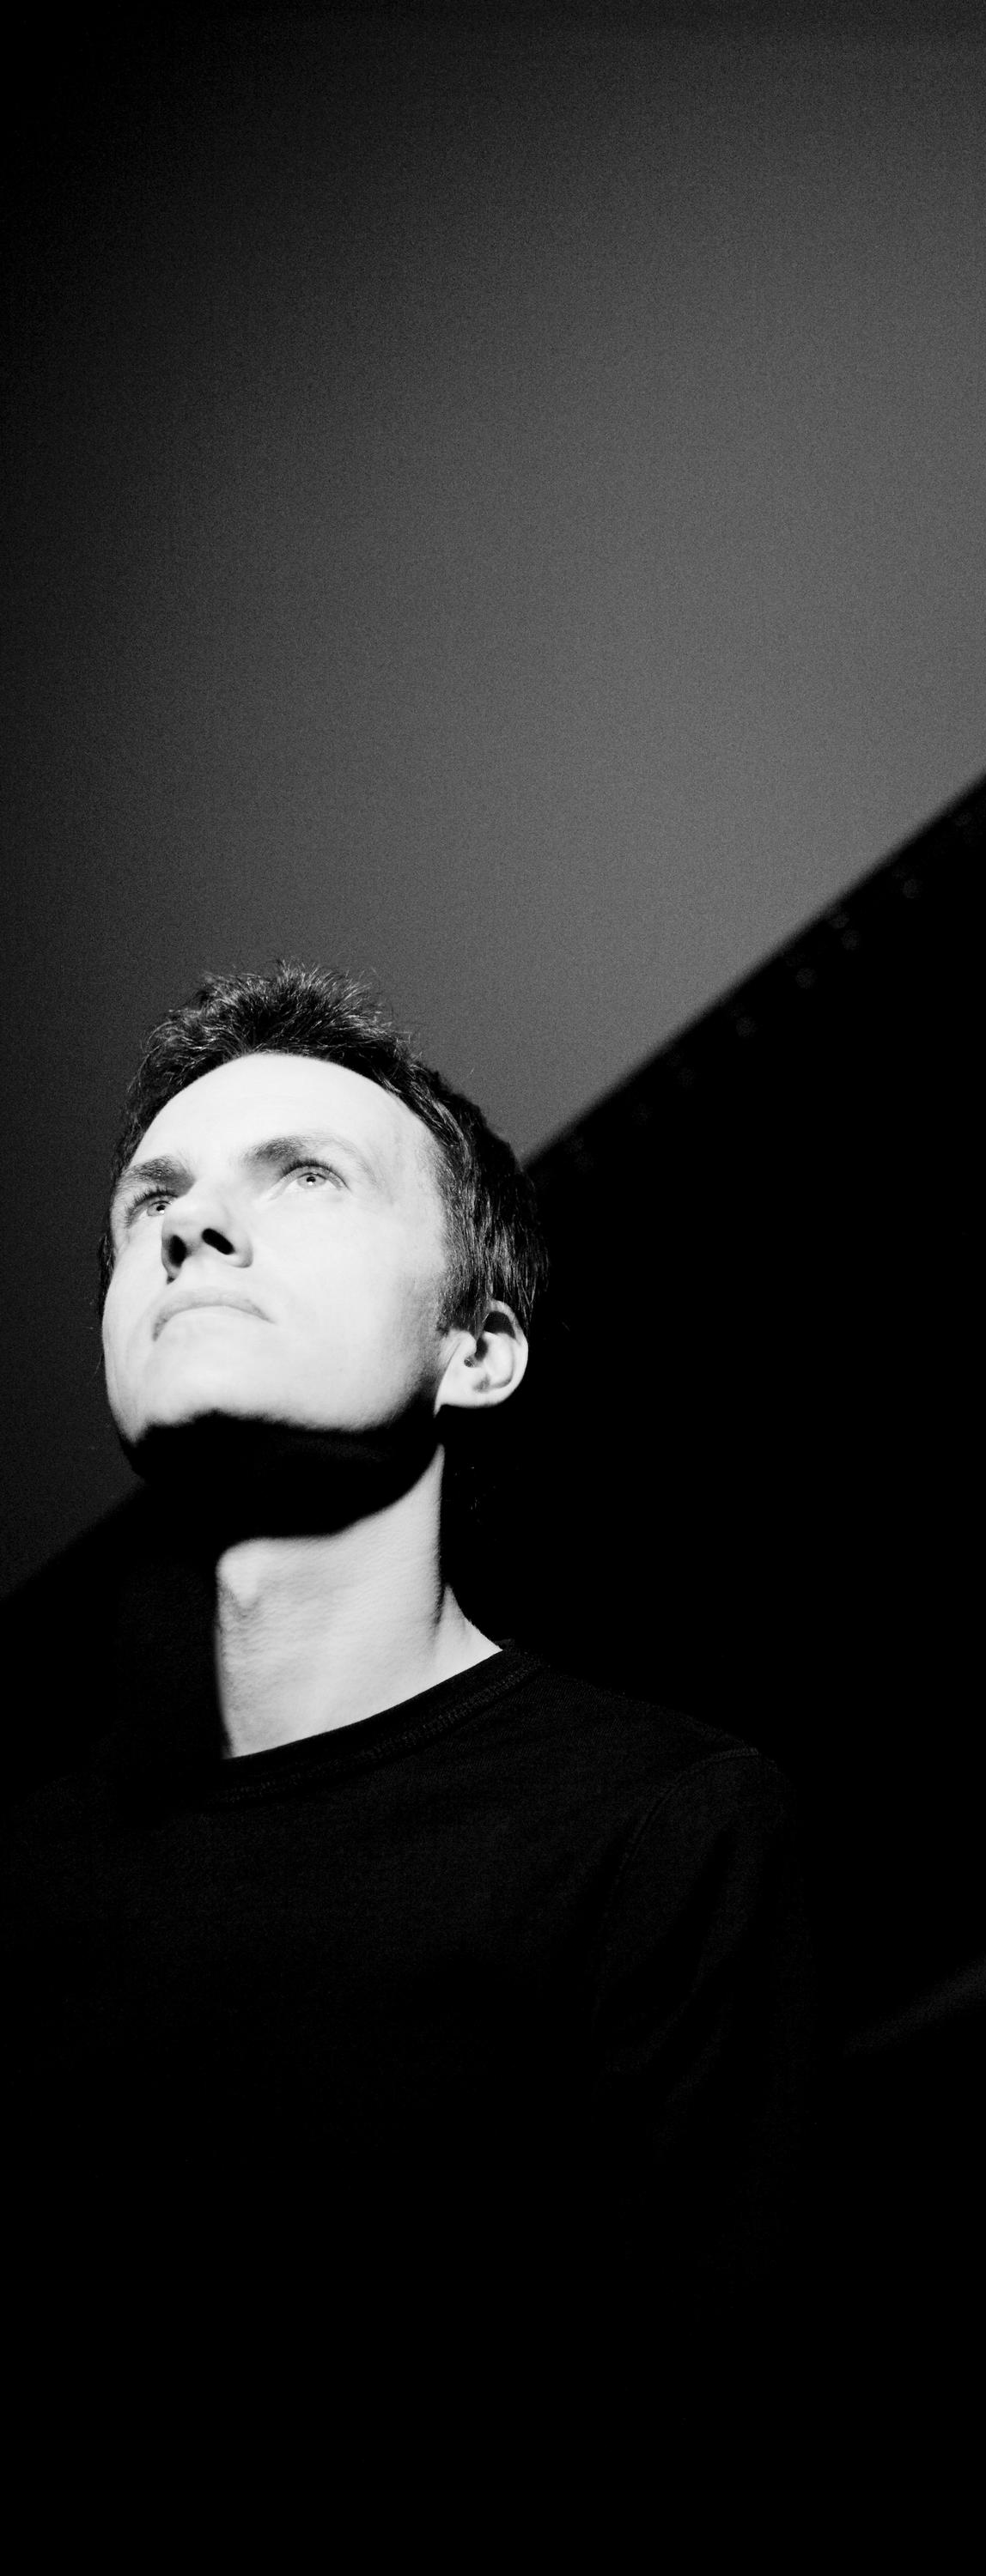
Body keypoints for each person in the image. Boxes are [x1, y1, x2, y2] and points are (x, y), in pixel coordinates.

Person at [2, 963, 819, 2439]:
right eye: (149, 1203)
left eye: (308, 1176)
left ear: (479, 1350)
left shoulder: (657, 1835)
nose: (188, 1226)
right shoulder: (15, 1876)